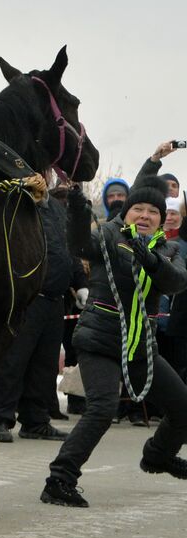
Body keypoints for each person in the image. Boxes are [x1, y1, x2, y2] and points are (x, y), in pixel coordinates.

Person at [43, 177, 187, 507]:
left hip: (140, 349)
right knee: (103, 408)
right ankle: (59, 478)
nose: (145, 215)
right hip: (101, 342)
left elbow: (176, 281)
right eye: (138, 208)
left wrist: (151, 261)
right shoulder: (109, 237)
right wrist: (78, 211)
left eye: (154, 211)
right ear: (126, 212)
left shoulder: (169, 249)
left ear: (162, 219)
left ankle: (157, 455)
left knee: (183, 409)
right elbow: (78, 244)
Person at [0, 183, 75, 443]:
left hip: (56, 299)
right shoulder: (16, 207)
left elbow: (67, 249)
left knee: (44, 364)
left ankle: (35, 419)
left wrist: (79, 282)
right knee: (14, 360)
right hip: (28, 296)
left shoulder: (58, 210)